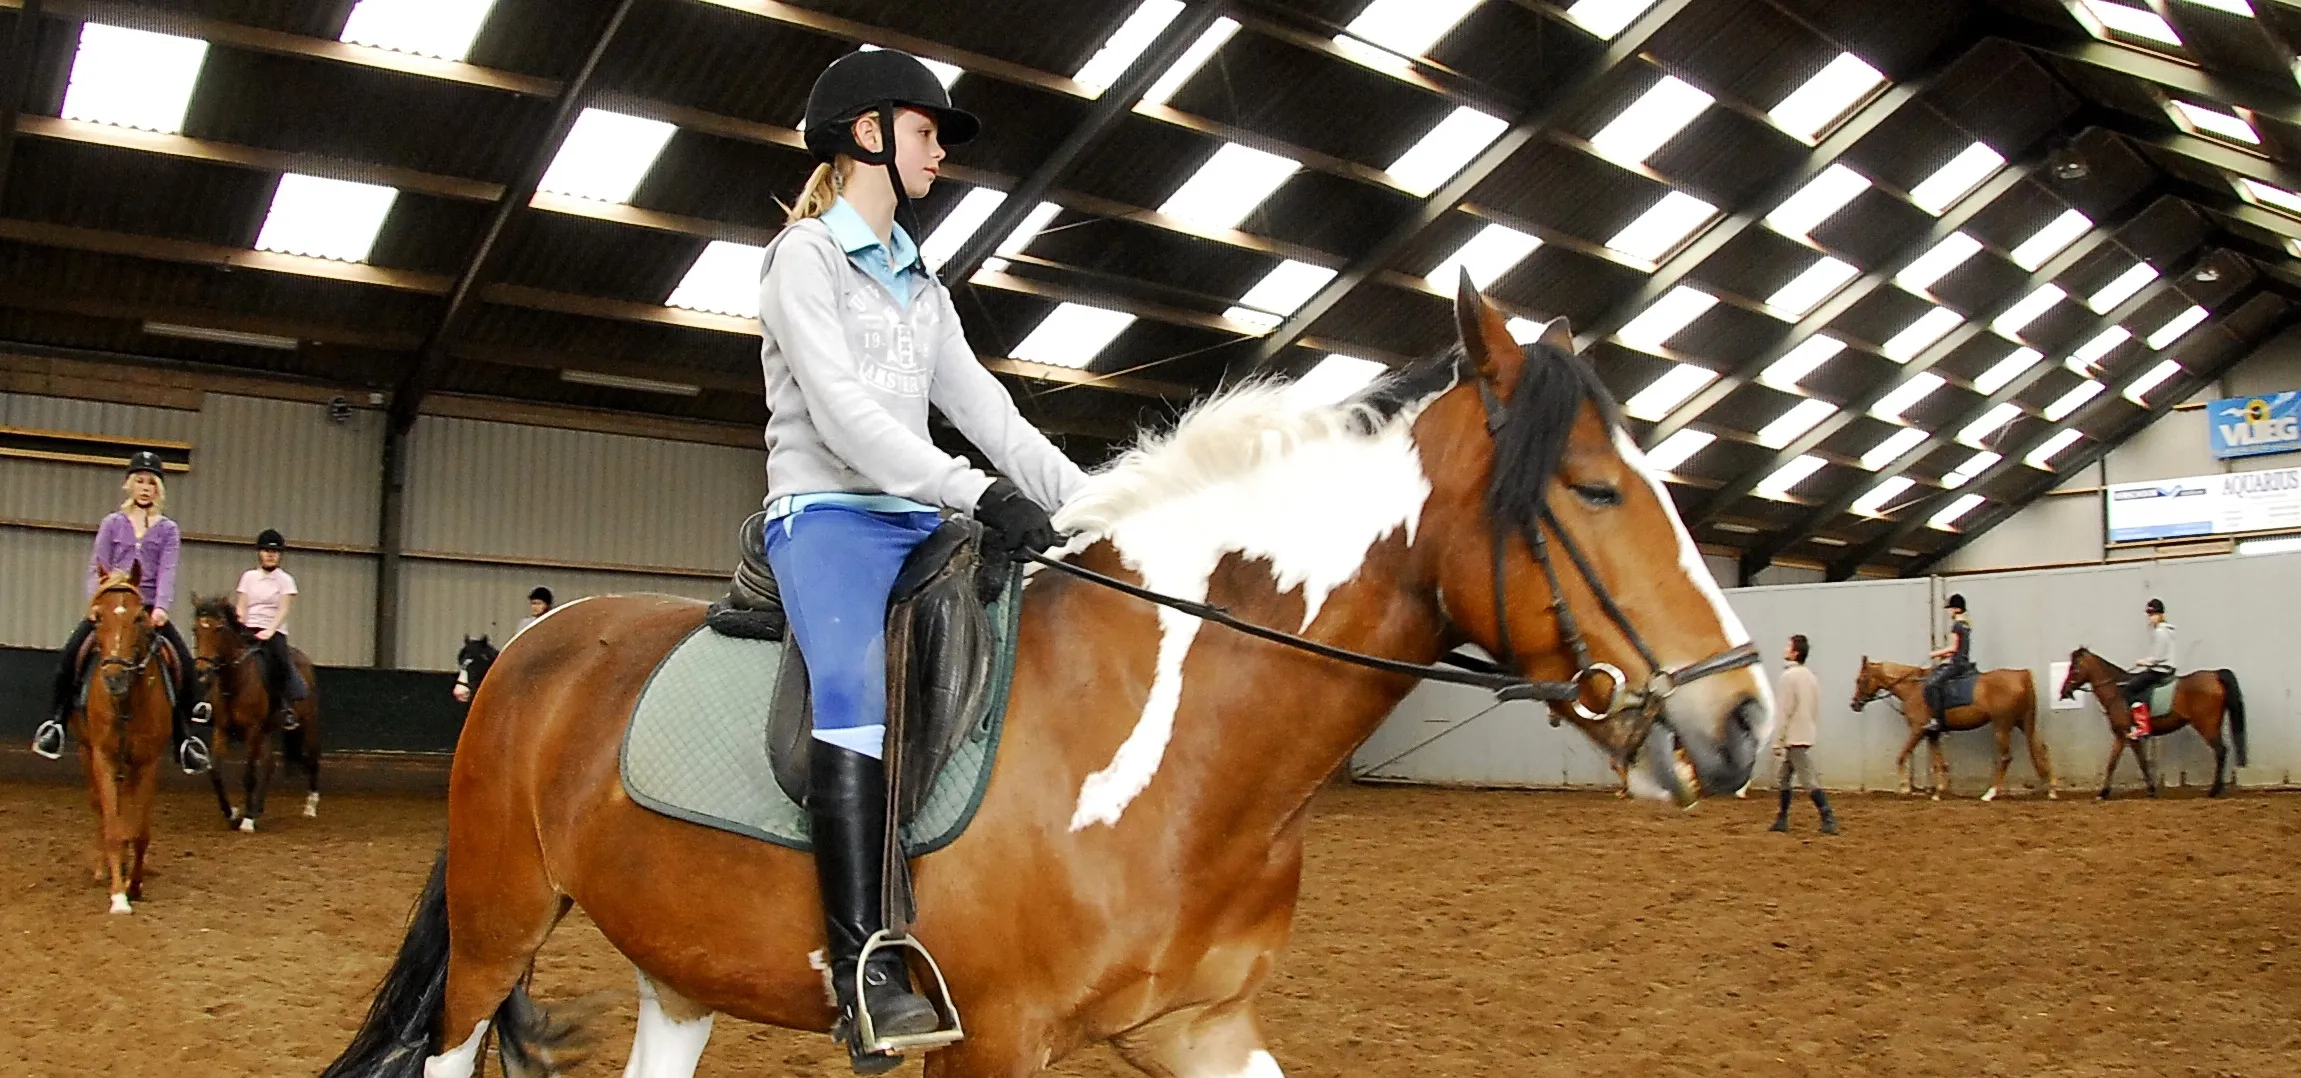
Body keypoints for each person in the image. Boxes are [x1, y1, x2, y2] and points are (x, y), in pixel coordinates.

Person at [758, 47, 1087, 1068]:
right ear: (867, 135)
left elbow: (990, 410)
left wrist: (1094, 505)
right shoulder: (804, 257)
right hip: (826, 514)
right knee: (853, 687)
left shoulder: (922, 284)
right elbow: (847, 418)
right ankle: (865, 967)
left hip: (917, 517)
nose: (940, 151)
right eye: (925, 131)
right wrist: (974, 488)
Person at [32, 452, 208, 774]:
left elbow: (168, 570)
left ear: (159, 490)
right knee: (71, 656)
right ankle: (55, 724)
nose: (144, 488)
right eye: (139, 481)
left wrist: (162, 609)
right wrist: (96, 603)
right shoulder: (112, 523)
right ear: (129, 485)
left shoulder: (168, 530)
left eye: (151, 483)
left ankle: (186, 739)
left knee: (181, 661)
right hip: (111, 605)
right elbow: (95, 565)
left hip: (147, 609)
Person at [234, 529, 308, 731]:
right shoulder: (248, 577)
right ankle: (209, 704)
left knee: (280, 663)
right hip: (248, 627)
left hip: (273, 630)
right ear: (259, 552)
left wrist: (270, 630)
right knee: (223, 657)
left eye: (274, 552)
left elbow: (283, 609)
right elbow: (242, 604)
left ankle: (285, 706)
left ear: (279, 555)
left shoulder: (285, 580)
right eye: (266, 550)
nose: (270, 554)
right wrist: (240, 621)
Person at [1767, 634, 1837, 835]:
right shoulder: (1810, 676)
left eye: (1788, 646)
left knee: (1807, 778)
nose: (1784, 649)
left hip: (1793, 736)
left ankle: (1828, 816)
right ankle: (1781, 818)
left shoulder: (1788, 677)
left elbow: (1784, 711)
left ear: (1795, 653)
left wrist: (1777, 740)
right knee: (1784, 777)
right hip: (1805, 732)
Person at [2122, 597, 2176, 741]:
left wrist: (2143, 662)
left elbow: (2158, 657)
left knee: (2130, 689)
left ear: (2160, 615)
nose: (2150, 618)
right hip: (2165, 669)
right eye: (2149, 615)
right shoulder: (2169, 630)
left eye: (2152, 615)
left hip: (2159, 670)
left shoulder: (2160, 631)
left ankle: (2142, 726)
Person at [1921, 593, 1973, 737]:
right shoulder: (1966, 623)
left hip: (1957, 664)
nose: (1948, 611)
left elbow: (1954, 648)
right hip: (1964, 661)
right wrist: (1944, 655)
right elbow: (1960, 648)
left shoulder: (1956, 625)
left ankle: (1938, 721)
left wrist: (1936, 653)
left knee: (1932, 684)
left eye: (1950, 608)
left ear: (1956, 609)